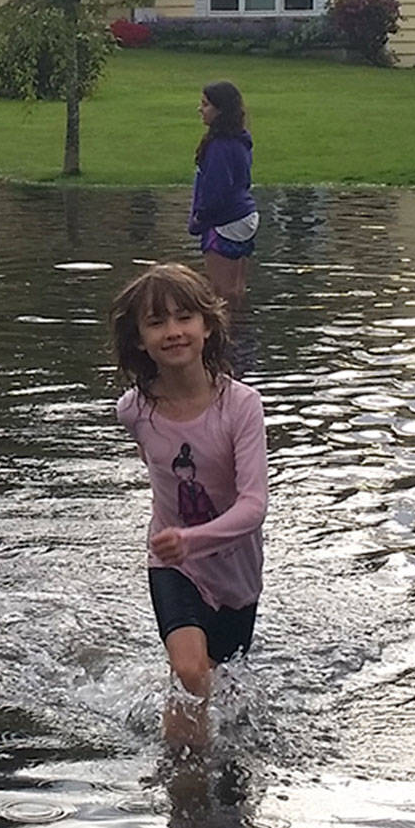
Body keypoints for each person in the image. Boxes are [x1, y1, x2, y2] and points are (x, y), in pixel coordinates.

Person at [110, 263, 267, 738]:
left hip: (237, 572)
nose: (173, 332)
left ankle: (200, 762)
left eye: (184, 318)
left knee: (219, 685)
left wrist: (193, 537)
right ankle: (183, 786)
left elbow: (254, 504)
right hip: (172, 564)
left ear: (207, 326)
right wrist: (175, 541)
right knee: (191, 671)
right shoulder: (133, 410)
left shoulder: (241, 406)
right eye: (156, 323)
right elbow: (161, 473)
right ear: (139, 340)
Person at [190, 80, 256, 301]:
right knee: (237, 288)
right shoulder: (240, 140)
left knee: (219, 292)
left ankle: (225, 334)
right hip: (245, 216)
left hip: (224, 220)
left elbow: (215, 189)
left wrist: (201, 216)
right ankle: (242, 329)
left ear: (220, 110)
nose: (200, 109)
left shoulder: (220, 146)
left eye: (205, 104)